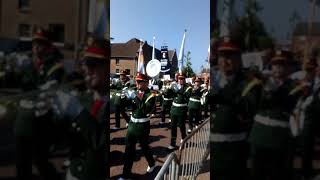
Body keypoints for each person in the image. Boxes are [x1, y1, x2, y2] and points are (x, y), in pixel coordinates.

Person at [210, 37, 263, 180]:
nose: (224, 61)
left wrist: (223, 95)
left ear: (239, 60)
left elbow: (249, 110)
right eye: (222, 57)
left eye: (230, 57)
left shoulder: (250, 84)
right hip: (213, 153)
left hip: (233, 153)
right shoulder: (214, 81)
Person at [248, 50, 301, 180]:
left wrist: (271, 89)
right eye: (275, 64)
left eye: (282, 64)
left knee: (275, 174)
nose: (278, 68)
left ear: (288, 67)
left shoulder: (294, 86)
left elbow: (289, 102)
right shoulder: (260, 83)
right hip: (259, 136)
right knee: (256, 173)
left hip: (278, 139)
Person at [119, 73, 156, 180]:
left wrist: (135, 97)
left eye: (140, 82)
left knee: (144, 147)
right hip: (132, 125)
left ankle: (152, 163)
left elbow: (146, 110)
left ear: (146, 83)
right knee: (128, 150)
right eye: (137, 81)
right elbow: (125, 105)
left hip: (143, 126)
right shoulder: (135, 91)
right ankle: (126, 175)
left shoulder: (151, 95)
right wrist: (123, 97)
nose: (137, 83)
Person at [168, 73, 192, 150]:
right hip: (174, 109)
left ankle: (184, 140)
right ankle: (173, 143)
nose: (180, 80)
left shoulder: (188, 88)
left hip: (182, 110)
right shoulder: (175, 86)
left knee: (182, 126)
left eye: (182, 79)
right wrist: (168, 89)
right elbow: (169, 94)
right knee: (173, 127)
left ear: (185, 79)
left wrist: (178, 89)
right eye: (179, 79)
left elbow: (187, 95)